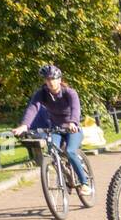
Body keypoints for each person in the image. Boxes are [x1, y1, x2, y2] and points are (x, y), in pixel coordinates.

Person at [10, 64, 93, 197]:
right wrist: (25, 125)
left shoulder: (69, 93)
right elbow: (33, 108)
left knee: (71, 151)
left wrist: (72, 122)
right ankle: (65, 177)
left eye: (53, 79)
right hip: (56, 129)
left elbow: (75, 108)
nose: (51, 82)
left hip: (72, 129)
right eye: (48, 79)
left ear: (59, 79)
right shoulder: (41, 94)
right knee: (52, 153)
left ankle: (84, 183)